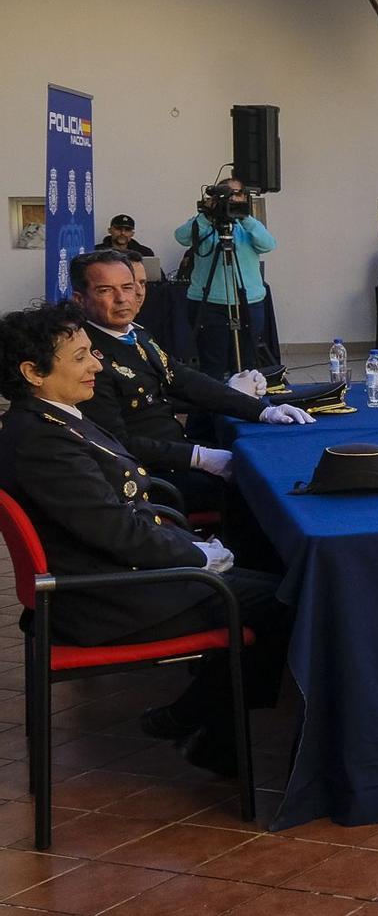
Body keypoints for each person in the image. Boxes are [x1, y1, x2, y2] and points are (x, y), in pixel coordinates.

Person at [0, 301, 293, 776]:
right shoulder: (42, 442)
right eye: (80, 357)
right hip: (105, 598)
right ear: (33, 371)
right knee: (286, 596)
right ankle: (201, 722)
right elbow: (117, 531)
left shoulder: (53, 417)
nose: (96, 364)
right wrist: (197, 554)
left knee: (270, 578)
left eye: (92, 353)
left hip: (116, 572)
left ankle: (204, 722)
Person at [68, 250, 312, 543]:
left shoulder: (135, 334)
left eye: (129, 287)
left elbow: (184, 380)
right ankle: (258, 573)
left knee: (269, 455)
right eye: (106, 290)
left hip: (173, 452)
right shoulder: (86, 358)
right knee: (267, 485)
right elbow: (117, 443)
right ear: (80, 300)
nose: (123, 299)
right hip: (149, 475)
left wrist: (261, 410)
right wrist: (199, 457)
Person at [173, 178, 275, 378]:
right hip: (209, 303)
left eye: (236, 194)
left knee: (247, 362)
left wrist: (244, 216)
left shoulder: (248, 225)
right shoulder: (203, 223)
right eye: (226, 194)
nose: (231, 199)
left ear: (244, 197)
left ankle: (246, 404)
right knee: (213, 363)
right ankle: (214, 403)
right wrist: (206, 216)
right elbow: (181, 237)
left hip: (248, 301)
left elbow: (268, 244)